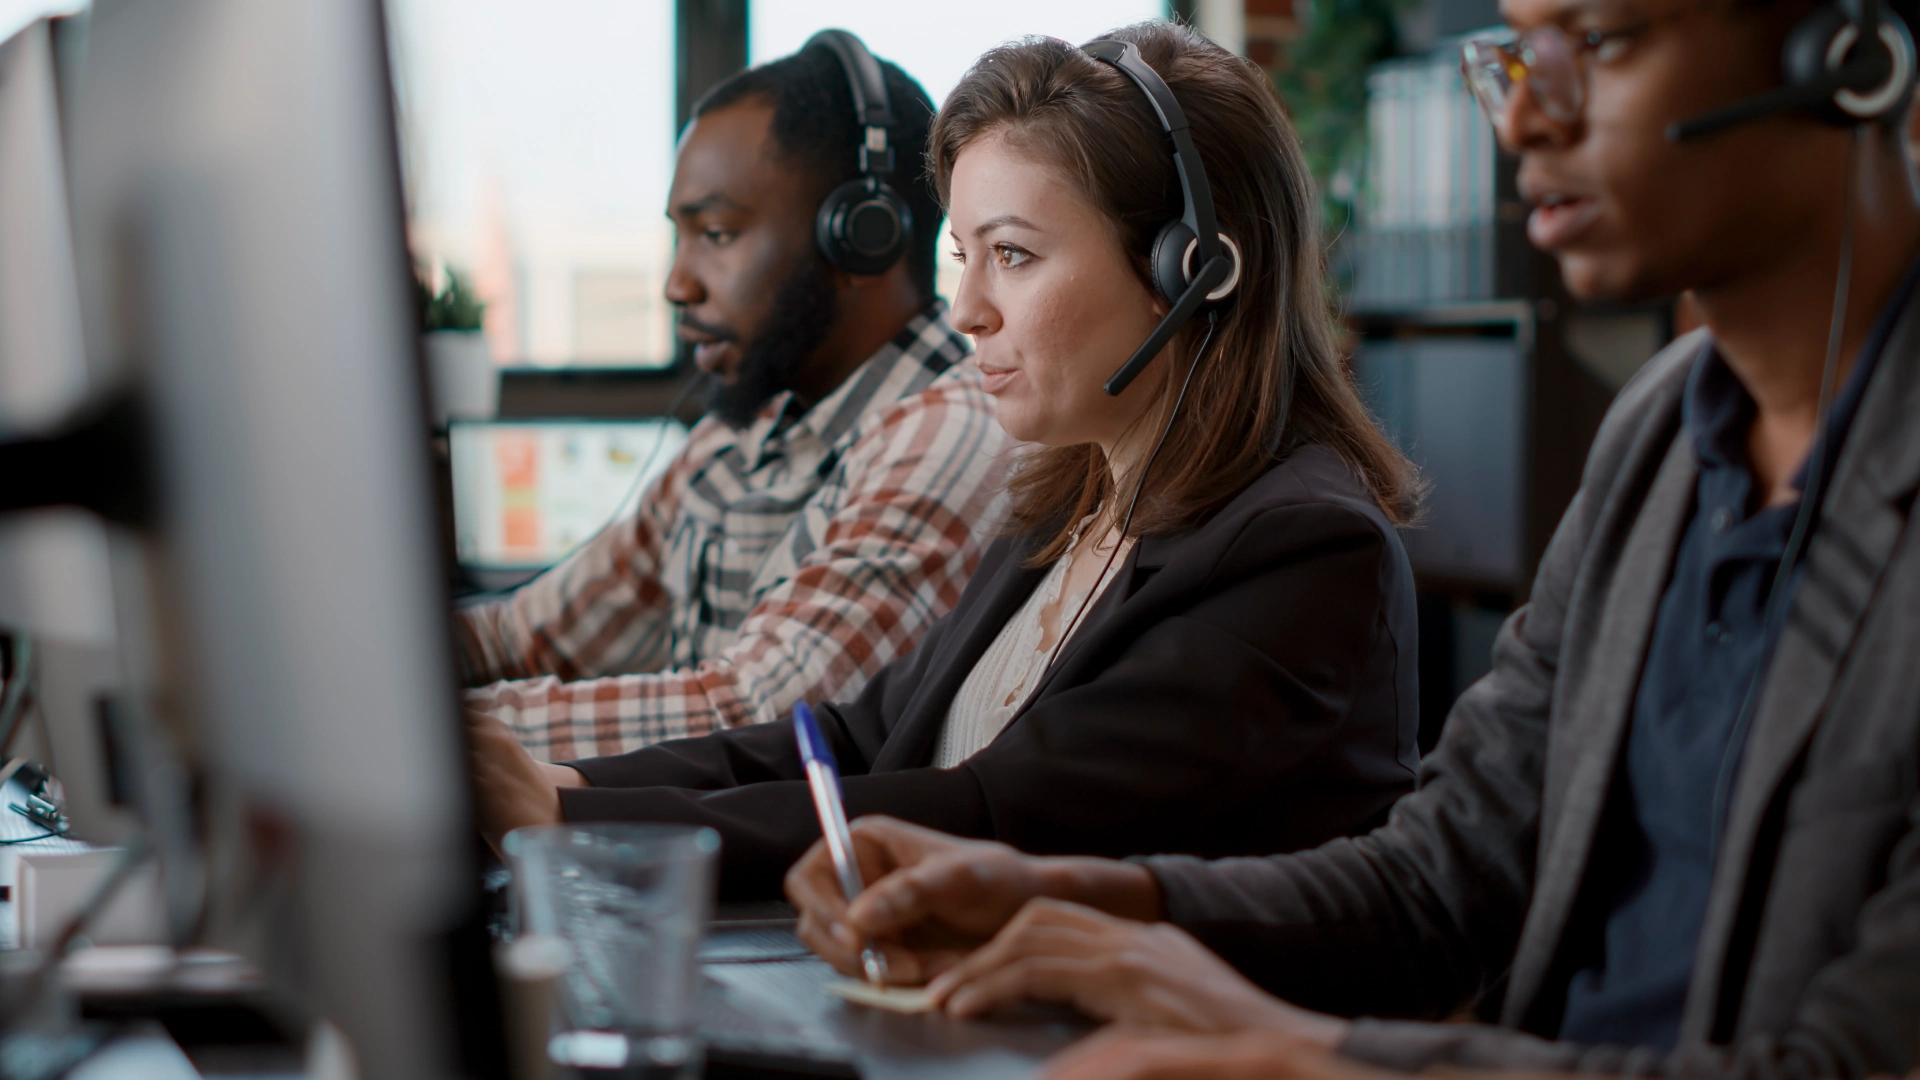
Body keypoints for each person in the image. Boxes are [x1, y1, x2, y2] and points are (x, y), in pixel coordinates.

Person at [784, 3, 1920, 1078]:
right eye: (1517, 54)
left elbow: (1848, 1063)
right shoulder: (1660, 440)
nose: (1521, 117)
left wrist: (1319, 1059)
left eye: (1603, 41)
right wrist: (1069, 901)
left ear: (1847, 51)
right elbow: (1440, 882)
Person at [466, 21, 1424, 900]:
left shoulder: (1301, 548)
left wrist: (579, 822)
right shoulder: (1067, 507)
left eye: (1011, 255)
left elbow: (994, 812)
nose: (967, 309)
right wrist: (571, 780)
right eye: (963, 255)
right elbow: (852, 738)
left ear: (1193, 270)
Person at [455, 35, 1015, 762]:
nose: (676, 285)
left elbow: (756, 715)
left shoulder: (949, 433)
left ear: (860, 239)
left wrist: (436, 733)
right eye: (680, 237)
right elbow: (525, 636)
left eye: (716, 233)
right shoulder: (741, 433)